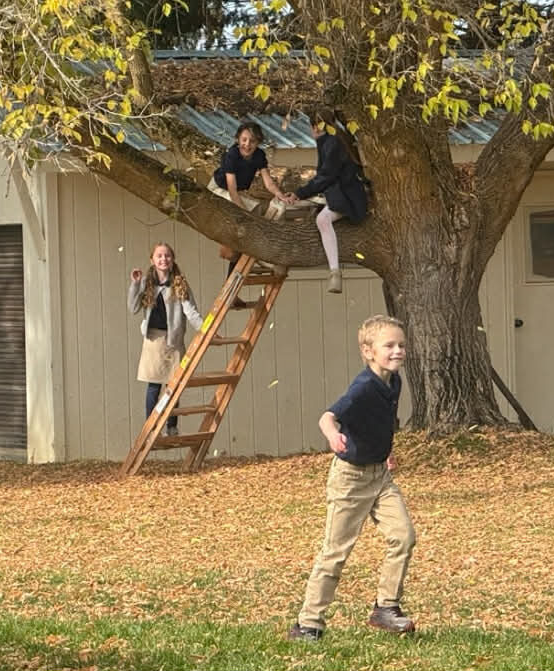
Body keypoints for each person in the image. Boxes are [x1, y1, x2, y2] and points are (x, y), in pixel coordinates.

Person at [288, 315, 416, 641]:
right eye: (389, 345)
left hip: (380, 477)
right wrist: (333, 435)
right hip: (351, 480)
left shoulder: (393, 381)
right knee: (335, 553)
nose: (398, 351)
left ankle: (386, 607)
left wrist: (385, 451)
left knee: (403, 536)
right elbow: (328, 417)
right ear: (368, 351)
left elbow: (379, 422)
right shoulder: (363, 387)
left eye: (401, 345)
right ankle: (308, 624)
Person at [287, 108, 369, 294]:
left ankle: (335, 272)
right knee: (321, 216)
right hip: (345, 192)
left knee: (322, 220)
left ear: (317, 127)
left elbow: (326, 176)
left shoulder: (332, 143)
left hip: (348, 197)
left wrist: (300, 193)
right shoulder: (333, 140)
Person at [128, 242, 204, 436]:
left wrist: (204, 329)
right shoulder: (147, 283)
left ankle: (171, 425)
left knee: (174, 385)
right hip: (154, 340)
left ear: (173, 259)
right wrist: (135, 284)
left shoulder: (179, 283)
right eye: (159, 256)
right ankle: (150, 426)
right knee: (154, 385)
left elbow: (190, 310)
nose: (164, 259)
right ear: (152, 260)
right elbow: (133, 307)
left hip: (173, 340)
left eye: (167, 255)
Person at [208, 121, 295, 276]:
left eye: (252, 141)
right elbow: (232, 190)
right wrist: (244, 213)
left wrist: (280, 195)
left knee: (255, 212)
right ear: (238, 139)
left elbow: (268, 182)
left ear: (258, 142)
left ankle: (248, 256)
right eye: (244, 140)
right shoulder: (232, 155)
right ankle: (248, 253)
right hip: (219, 189)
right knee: (244, 215)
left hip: (238, 191)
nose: (247, 145)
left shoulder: (259, 155)